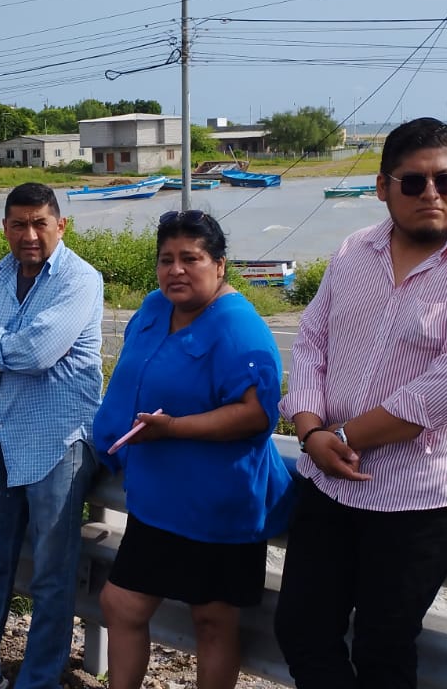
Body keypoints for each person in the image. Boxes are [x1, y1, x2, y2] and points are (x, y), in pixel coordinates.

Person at [273, 117, 447, 689]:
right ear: (382, 187)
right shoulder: (353, 252)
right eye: (413, 182)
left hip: (423, 499)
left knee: (382, 649)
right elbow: (312, 339)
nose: (431, 194)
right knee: (300, 631)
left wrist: (343, 439)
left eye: (446, 180)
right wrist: (311, 431)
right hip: (330, 485)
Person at [92, 210, 295, 689]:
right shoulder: (154, 307)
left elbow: (256, 414)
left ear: (219, 265)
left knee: (212, 619)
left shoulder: (239, 328)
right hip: (157, 498)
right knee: (121, 604)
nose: (176, 270)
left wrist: (174, 429)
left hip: (217, 504)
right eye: (166, 260)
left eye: (191, 259)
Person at [0, 183, 104, 689]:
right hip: (1, 438)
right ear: (5, 228)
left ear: (61, 225)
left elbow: (38, 353)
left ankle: (38, 681)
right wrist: (4, 348)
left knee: (52, 575)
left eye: (40, 223)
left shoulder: (80, 279)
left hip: (58, 443)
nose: (29, 235)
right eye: (19, 224)